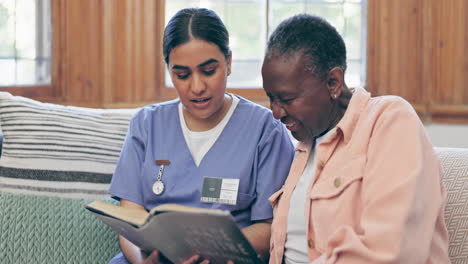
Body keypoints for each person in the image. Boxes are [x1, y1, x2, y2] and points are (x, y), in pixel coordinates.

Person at [108, 8, 294, 264]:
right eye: (182, 75)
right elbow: (129, 219)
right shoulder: (147, 124)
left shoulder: (265, 130)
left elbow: (269, 227)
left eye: (208, 71)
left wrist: (210, 253)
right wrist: (143, 261)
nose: (196, 87)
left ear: (229, 62)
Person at [261, 14, 450, 264]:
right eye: (271, 98)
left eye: (286, 99)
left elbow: (391, 251)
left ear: (333, 82)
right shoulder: (306, 145)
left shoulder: (389, 120)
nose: (275, 112)